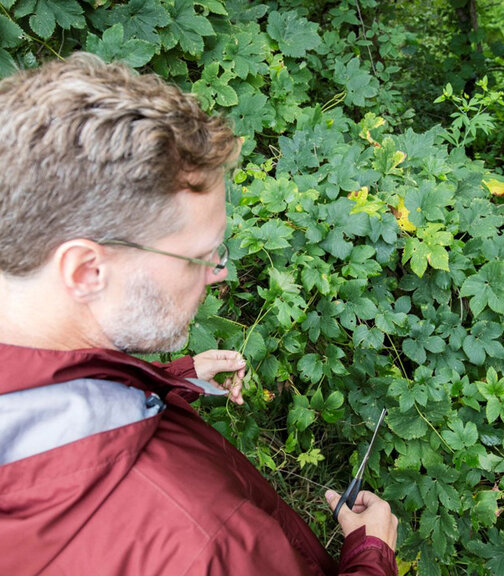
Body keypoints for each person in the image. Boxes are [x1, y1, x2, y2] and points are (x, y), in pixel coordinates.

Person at [0, 53, 398, 575]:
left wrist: (172, 379)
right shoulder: (203, 542)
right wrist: (371, 555)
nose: (219, 273)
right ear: (85, 271)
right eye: (199, 255)